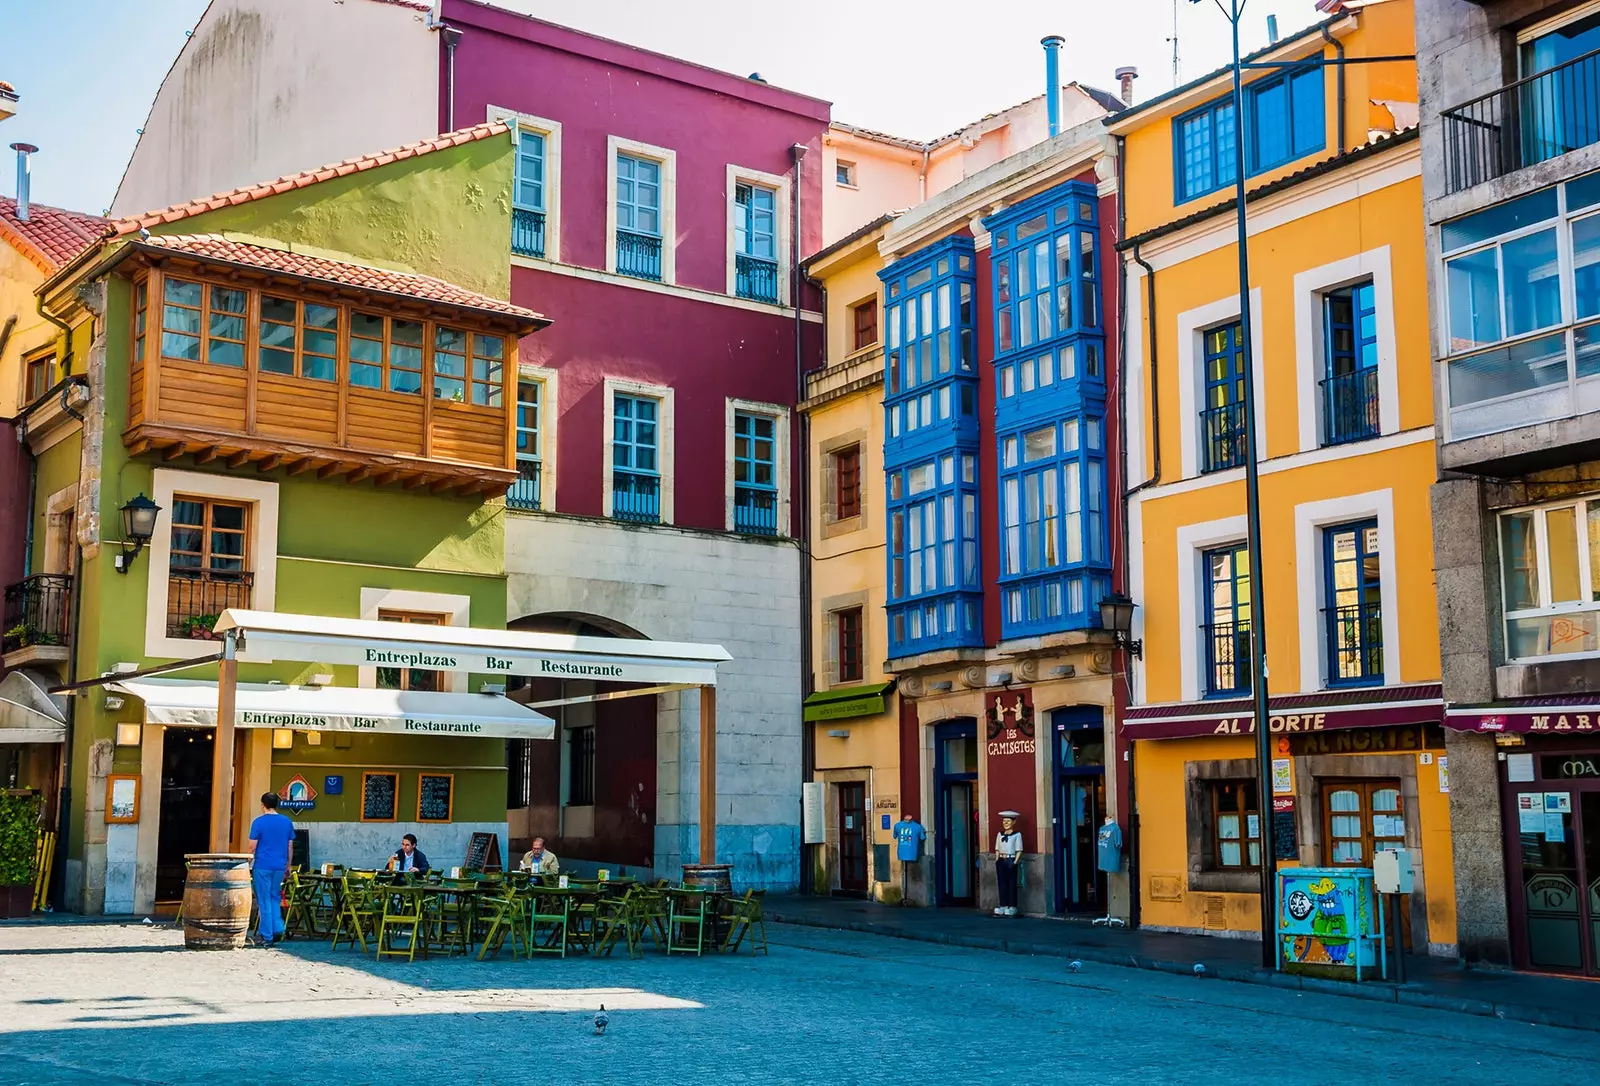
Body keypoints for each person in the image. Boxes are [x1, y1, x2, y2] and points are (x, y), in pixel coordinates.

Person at [246, 792, 296, 947]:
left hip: (263, 865)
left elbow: (252, 846)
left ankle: (267, 935)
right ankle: (278, 927)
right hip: (279, 866)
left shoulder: (258, 822)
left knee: (264, 900)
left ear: (263, 805)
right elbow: (290, 846)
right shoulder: (287, 821)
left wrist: (247, 861)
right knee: (275, 897)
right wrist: (288, 865)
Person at [993, 810, 1023, 918]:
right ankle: (1003, 905)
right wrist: (997, 859)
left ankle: (1012, 906)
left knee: (1011, 884)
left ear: (1013, 822)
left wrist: (1015, 862)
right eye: (1004, 821)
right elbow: (997, 848)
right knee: (1002, 884)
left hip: (1011, 859)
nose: (1005, 823)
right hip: (1001, 859)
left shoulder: (1017, 835)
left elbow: (1019, 849)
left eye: (1008, 821)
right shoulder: (999, 834)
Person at [893, 813, 925, 907]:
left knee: (906, 871)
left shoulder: (897, 825)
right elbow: (923, 838)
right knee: (909, 872)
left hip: (902, 852)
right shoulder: (918, 827)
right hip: (912, 853)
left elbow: (894, 836)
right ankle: (906, 896)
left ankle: (905, 895)